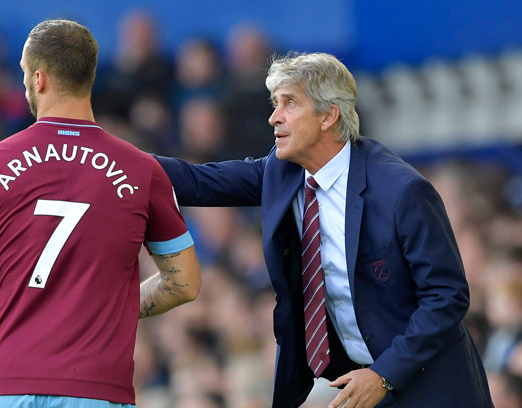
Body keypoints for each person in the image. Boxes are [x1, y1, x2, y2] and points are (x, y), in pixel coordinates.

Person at [155, 52, 493, 407]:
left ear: (328, 115)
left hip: (431, 385)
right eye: (275, 104)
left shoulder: (401, 191)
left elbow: (446, 297)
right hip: (352, 382)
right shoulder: (281, 172)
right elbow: (199, 181)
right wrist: (107, 160)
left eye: (289, 104)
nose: (274, 117)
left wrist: (384, 375)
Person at [0, 19, 201, 408]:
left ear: (38, 79)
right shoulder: (141, 170)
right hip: (96, 388)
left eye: (23, 73)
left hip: (5, 385)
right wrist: (111, 305)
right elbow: (184, 282)